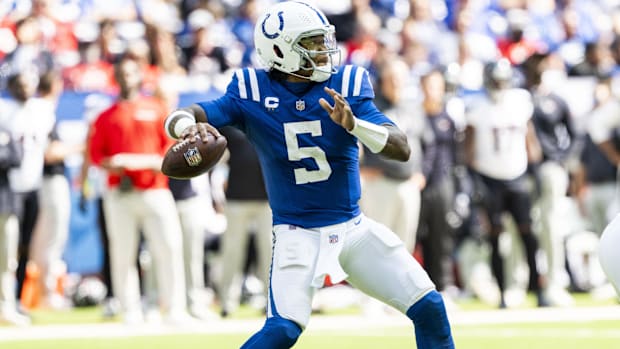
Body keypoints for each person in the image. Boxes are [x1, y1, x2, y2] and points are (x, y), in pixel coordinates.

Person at [163, 2, 454, 348]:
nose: (323, 51)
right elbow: (190, 113)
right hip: (296, 234)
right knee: (283, 329)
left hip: (352, 230)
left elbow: (401, 148)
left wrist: (355, 125)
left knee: (430, 306)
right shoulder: (250, 91)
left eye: (322, 41)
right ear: (279, 50)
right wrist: (186, 127)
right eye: (312, 43)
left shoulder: (345, 84)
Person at [88, 55, 189, 324]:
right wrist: (115, 165)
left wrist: (137, 162)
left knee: (168, 249)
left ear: (140, 76)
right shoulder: (106, 116)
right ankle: (130, 309)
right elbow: (97, 155)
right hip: (120, 193)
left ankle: (175, 309)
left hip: (154, 189)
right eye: (121, 73)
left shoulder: (156, 109)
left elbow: (169, 152)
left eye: (131, 72)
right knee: (123, 253)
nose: (126, 78)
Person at [464, 58, 547, 308]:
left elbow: (530, 138)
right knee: (495, 237)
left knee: (528, 234)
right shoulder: (476, 106)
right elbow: (468, 147)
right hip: (489, 178)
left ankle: (537, 289)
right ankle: (501, 292)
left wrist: (536, 170)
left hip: (517, 175)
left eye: (503, 80)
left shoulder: (520, 101)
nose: (499, 85)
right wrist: (473, 179)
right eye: (496, 80)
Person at [217, 126, 272, 318]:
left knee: (270, 251)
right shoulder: (230, 125)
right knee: (232, 251)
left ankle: (271, 301)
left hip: (268, 198)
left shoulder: (268, 118)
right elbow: (217, 154)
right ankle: (226, 302)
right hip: (236, 198)